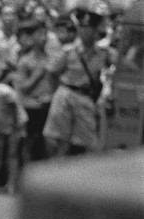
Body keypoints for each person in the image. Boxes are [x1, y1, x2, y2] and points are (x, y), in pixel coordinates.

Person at [42, 4, 113, 156]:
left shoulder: (102, 53)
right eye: (82, 27)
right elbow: (51, 72)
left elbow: (122, 64)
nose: (85, 31)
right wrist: (57, 92)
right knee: (57, 140)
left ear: (95, 30)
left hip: (85, 97)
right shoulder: (69, 51)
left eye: (89, 28)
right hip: (66, 93)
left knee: (89, 144)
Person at [13, 18, 54, 162]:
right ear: (32, 38)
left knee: (46, 142)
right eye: (39, 35)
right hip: (30, 107)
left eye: (45, 34)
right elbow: (22, 87)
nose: (43, 38)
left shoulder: (51, 58)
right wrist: (38, 74)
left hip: (47, 106)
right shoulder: (25, 61)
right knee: (27, 142)